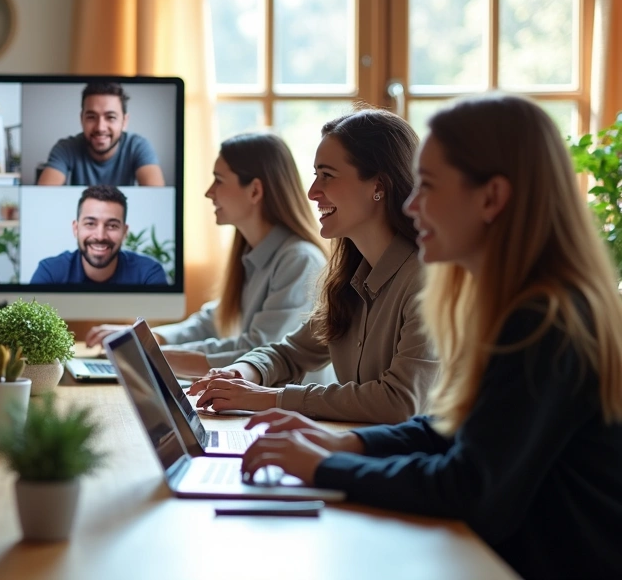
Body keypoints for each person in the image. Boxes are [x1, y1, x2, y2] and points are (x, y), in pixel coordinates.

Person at [239, 95, 622, 579]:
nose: (412, 204)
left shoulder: (545, 321)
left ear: (491, 198)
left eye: (428, 186)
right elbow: (452, 427)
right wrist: (345, 445)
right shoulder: (513, 302)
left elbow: (468, 487)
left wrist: (322, 467)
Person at [188, 109, 438, 424]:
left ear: (379, 185)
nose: (312, 192)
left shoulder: (427, 280)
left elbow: (399, 401)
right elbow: (289, 352)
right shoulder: (348, 281)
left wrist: (267, 399)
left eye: (327, 175)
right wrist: (240, 372)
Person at [85, 133, 327, 376]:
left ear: (254, 191)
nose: (209, 192)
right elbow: (214, 320)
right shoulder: (253, 254)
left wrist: (153, 353)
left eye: (219, 180)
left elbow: (258, 351)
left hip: (297, 411)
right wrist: (148, 338)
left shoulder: (299, 260)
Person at [30, 184, 169, 286]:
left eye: (112, 226)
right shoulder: (50, 272)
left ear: (125, 232)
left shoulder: (148, 274)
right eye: (90, 224)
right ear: (76, 229)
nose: (100, 236)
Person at [37, 81, 165, 186]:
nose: (100, 128)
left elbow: (157, 198)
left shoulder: (138, 146)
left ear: (124, 121)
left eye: (110, 117)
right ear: (82, 119)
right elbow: (43, 195)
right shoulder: (65, 148)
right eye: (91, 117)